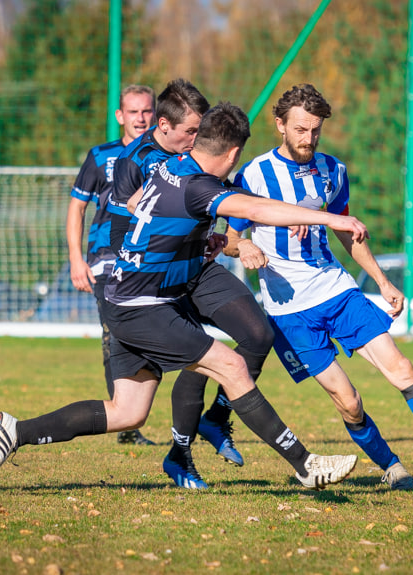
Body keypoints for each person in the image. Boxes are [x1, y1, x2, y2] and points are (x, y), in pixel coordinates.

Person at [0, 102, 363, 491]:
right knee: (231, 366)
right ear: (233, 154)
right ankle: (305, 463)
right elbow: (255, 208)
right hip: (143, 307)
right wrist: (332, 218)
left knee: (127, 412)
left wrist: (194, 239)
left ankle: (15, 431)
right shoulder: (200, 186)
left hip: (124, 296)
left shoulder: (172, 165)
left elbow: (143, 208)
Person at [225, 84, 413, 489]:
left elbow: (348, 233)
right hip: (288, 310)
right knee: (348, 401)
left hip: (336, 289)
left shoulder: (332, 171)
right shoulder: (253, 174)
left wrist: (383, 282)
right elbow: (227, 236)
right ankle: (392, 466)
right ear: (280, 125)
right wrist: (242, 245)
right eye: (300, 129)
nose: (309, 139)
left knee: (402, 368)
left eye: (315, 130)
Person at [110, 79, 274, 487]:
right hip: (156, 277)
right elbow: (136, 216)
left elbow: (225, 228)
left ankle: (216, 419)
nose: (196, 141)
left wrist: (236, 242)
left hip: (197, 266)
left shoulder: (197, 163)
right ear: (165, 126)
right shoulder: (142, 159)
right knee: (201, 354)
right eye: (191, 133)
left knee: (257, 334)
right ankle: (180, 454)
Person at [66, 84, 156, 445]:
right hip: (107, 262)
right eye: (133, 112)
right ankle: (127, 425)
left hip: (153, 260)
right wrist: (76, 258)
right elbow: (77, 206)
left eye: (147, 111)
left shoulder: (165, 157)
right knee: (116, 335)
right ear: (120, 116)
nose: (140, 118)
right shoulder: (101, 156)